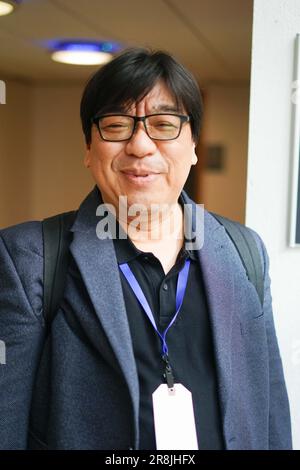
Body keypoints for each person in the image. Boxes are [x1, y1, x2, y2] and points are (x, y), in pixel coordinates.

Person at [0, 48, 292, 450]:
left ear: (193, 146)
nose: (140, 146)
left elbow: (271, 414)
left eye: (164, 124)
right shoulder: (29, 259)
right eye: (117, 125)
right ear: (89, 149)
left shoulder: (245, 253)